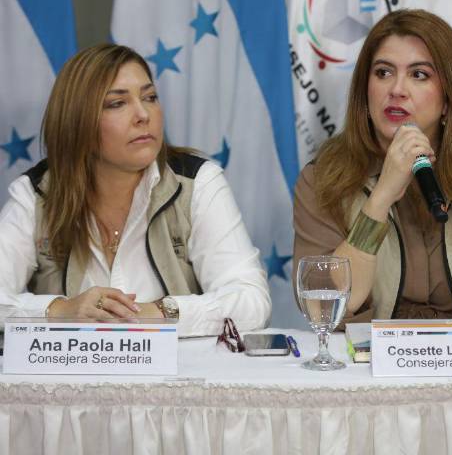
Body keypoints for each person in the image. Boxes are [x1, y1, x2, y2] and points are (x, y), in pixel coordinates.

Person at [293, 9, 452, 324]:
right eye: (383, 72)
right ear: (365, 91)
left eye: (419, 75)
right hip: (367, 353)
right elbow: (321, 305)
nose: (397, 89)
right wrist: (381, 198)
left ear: (448, 99)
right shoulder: (322, 180)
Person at [0, 44, 270, 336]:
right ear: (77, 121)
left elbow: (251, 302)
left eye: (150, 97)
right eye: (117, 103)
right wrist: (60, 311)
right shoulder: (37, 194)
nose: (143, 114)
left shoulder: (197, 182)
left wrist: (159, 313)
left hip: (178, 366)